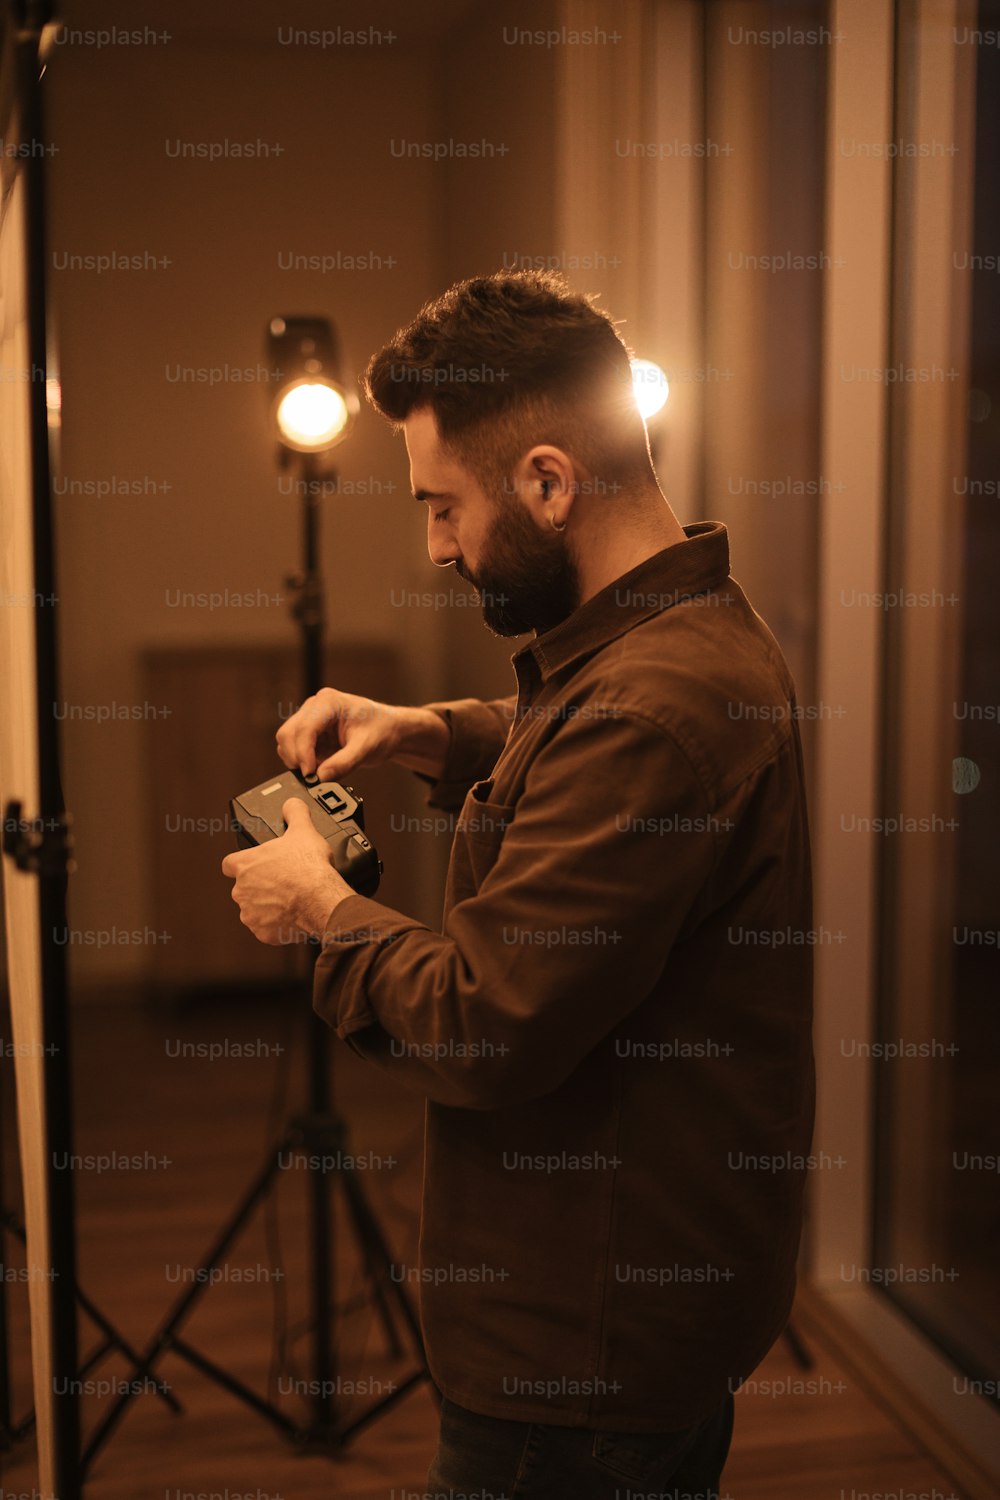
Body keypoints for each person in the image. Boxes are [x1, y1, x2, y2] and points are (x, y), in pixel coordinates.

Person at [221, 270, 815, 1500]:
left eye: (443, 507)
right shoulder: (678, 633)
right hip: (628, 1321)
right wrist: (423, 731)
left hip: (575, 1357)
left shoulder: (655, 706)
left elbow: (487, 1022)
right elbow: (574, 751)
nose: (433, 544)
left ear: (549, 481)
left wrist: (321, 911)